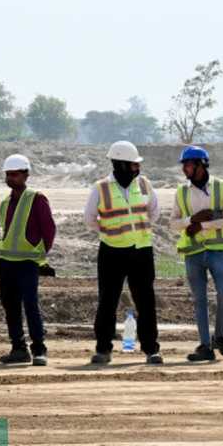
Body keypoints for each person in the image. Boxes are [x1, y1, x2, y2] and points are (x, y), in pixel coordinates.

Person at [84, 140, 163, 365]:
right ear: (119, 164)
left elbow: (154, 212)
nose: (137, 169)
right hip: (112, 252)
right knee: (107, 301)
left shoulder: (145, 184)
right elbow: (89, 219)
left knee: (146, 302)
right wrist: (110, 231)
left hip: (141, 251)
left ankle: (151, 349)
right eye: (133, 165)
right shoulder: (100, 188)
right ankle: (103, 349)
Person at [170, 145, 223, 362]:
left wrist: (203, 225)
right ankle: (205, 346)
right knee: (200, 300)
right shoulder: (181, 192)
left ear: (201, 165)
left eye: (188, 164)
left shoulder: (220, 187)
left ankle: (219, 337)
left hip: (217, 250)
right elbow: (173, 223)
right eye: (184, 165)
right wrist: (191, 220)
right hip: (193, 253)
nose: (184, 169)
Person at [0, 154, 56, 367]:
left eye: (15, 174)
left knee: (30, 305)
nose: (11, 178)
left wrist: (40, 256)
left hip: (28, 263)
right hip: (7, 262)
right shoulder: (5, 202)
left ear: (25, 175)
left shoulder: (36, 198)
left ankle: (39, 349)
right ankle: (18, 348)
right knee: (10, 305)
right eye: (8, 174)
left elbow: (48, 230)